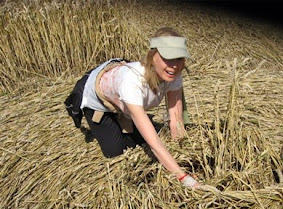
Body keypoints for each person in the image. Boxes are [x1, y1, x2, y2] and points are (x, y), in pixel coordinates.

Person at [65, 27, 200, 189]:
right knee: (114, 152)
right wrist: (183, 177)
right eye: (167, 58)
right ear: (152, 56)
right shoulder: (132, 82)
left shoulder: (174, 76)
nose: (174, 66)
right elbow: (154, 145)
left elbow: (176, 120)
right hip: (100, 104)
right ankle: (115, 121)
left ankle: (126, 120)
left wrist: (183, 157)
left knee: (149, 135)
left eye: (179, 59)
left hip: (125, 101)